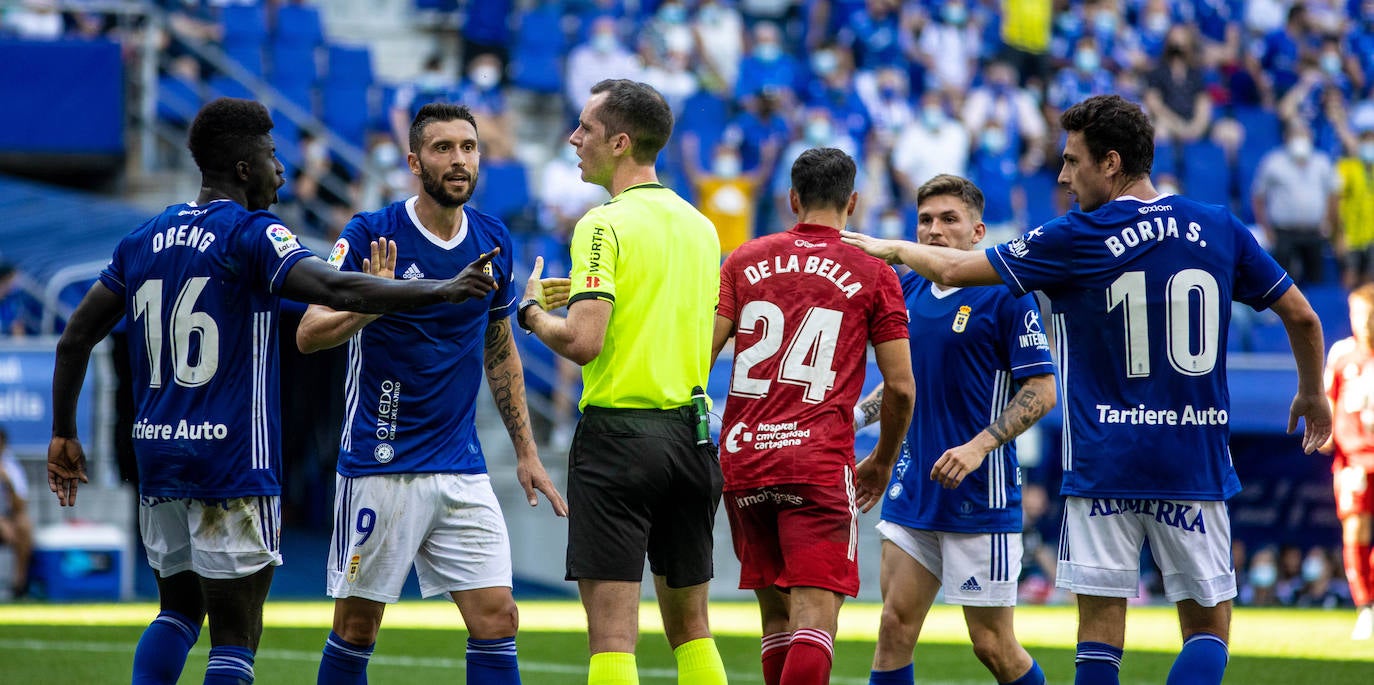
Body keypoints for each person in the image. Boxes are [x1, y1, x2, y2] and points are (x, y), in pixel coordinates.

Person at [841, 94, 1332, 685]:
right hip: (1193, 461)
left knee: (1098, 641)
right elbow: (1303, 317)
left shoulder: (1075, 237)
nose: (1062, 175)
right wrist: (1311, 391)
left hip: (1101, 462)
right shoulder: (1219, 226)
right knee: (1206, 631)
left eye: (1073, 161)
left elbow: (951, 270)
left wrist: (883, 246)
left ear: (1111, 163)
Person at [47, 97, 502, 685]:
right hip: (232, 459)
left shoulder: (145, 237)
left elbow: (75, 337)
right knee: (234, 641)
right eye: (270, 155)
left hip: (158, 454)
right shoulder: (254, 234)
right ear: (243, 168)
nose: (281, 170)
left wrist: (64, 432)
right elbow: (334, 288)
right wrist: (440, 291)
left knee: (179, 611)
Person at [298, 102, 568, 683]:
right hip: (382, 458)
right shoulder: (371, 234)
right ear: (415, 162)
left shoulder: (494, 239)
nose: (458, 160)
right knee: (357, 628)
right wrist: (378, 296)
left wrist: (526, 452)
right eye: (443, 148)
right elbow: (308, 333)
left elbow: (499, 348)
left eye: (468, 148)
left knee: (499, 618)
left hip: (461, 464)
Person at [518, 79, 727, 685]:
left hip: (619, 440)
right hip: (691, 437)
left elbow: (583, 342)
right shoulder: (701, 226)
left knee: (612, 638)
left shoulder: (601, 224)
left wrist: (532, 314)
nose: (573, 138)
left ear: (620, 141)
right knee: (693, 630)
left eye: (585, 128)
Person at [711, 147, 914, 685]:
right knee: (815, 620)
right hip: (816, 461)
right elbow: (900, 387)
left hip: (745, 458)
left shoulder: (744, 259)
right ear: (853, 202)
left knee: (775, 619)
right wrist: (882, 461)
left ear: (792, 199)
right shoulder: (874, 272)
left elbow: (698, 356)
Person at [852, 174, 1054, 685]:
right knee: (894, 627)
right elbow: (905, 383)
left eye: (949, 219)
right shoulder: (907, 287)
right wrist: (854, 417)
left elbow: (1043, 391)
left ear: (977, 232)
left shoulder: (1007, 296)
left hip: (978, 493)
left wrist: (978, 446)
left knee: (991, 645)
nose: (935, 230)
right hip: (912, 484)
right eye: (925, 220)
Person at [1321, 283, 1374, 640]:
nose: (1365, 323)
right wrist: (1325, 434)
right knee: (1356, 529)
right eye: (1360, 315)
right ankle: (1365, 607)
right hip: (1354, 458)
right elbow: (1327, 399)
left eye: (1370, 316)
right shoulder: (1341, 355)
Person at [0, 427, 32, 599]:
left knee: (24, 526)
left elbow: (20, 506)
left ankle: (19, 586)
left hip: (7, 520)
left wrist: (9, 483)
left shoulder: (11, 467)